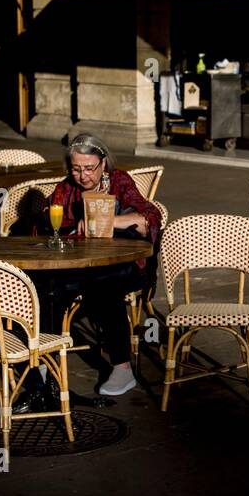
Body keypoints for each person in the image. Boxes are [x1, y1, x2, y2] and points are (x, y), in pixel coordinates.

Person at [36, 134, 161, 398]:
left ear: (103, 164)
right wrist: (58, 223)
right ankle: (46, 363)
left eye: (89, 168)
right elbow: (45, 222)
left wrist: (110, 221)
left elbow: (150, 217)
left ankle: (122, 367)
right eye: (76, 168)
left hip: (125, 264)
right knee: (48, 287)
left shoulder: (119, 182)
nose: (83, 176)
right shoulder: (66, 189)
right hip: (81, 265)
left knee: (104, 287)